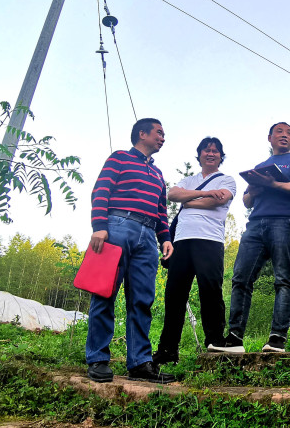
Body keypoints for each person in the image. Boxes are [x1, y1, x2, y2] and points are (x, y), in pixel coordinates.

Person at [86, 118, 176, 384]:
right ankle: (98, 358)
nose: (162, 137)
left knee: (142, 300)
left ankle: (139, 363)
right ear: (142, 133)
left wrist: (165, 238)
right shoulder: (119, 158)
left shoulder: (158, 174)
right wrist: (99, 226)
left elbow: (162, 210)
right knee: (104, 293)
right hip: (117, 227)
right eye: (159, 132)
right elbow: (101, 190)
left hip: (148, 236)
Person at [221, 122, 290, 353]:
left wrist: (274, 183)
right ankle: (234, 338)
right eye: (280, 132)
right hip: (255, 224)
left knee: (283, 278)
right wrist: (256, 189)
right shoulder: (260, 166)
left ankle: (277, 338)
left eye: (289, 133)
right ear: (270, 138)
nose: (285, 136)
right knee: (240, 278)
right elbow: (246, 201)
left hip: (285, 221)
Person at [153, 137, 236, 363]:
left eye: (215, 151)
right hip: (181, 240)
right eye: (206, 150)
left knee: (210, 290)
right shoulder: (189, 179)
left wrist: (190, 200)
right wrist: (208, 193)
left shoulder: (228, 180)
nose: (210, 153)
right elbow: (172, 195)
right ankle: (168, 349)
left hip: (209, 240)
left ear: (221, 156)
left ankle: (215, 340)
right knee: (174, 295)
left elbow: (219, 201)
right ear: (199, 155)